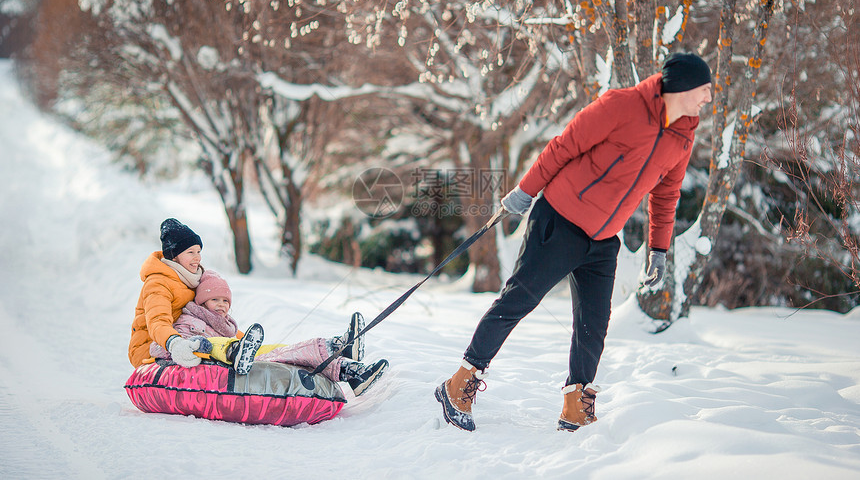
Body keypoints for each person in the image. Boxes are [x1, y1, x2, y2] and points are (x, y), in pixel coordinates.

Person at [435, 52, 712, 432]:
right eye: (704, 89)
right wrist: (525, 191)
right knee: (520, 299)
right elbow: (563, 146)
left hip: (604, 238)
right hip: (560, 219)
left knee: (594, 323)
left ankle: (575, 403)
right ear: (680, 86)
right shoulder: (621, 105)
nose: (708, 98)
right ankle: (460, 381)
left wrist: (659, 249)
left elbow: (666, 196)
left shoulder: (683, 137)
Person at [150, 269, 389, 396]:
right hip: (220, 365)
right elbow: (166, 346)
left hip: (245, 356)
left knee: (286, 352)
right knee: (220, 346)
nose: (222, 304)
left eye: (225, 300)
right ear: (202, 302)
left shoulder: (228, 327)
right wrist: (193, 346)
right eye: (214, 299)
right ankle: (339, 349)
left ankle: (350, 369)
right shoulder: (190, 319)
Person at [129, 218, 213, 369]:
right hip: (151, 346)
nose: (197, 258)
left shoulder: (193, 280)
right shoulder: (158, 282)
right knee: (204, 347)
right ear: (174, 256)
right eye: (190, 252)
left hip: (185, 338)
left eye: (199, 251)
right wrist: (174, 342)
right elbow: (158, 320)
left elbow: (211, 317)